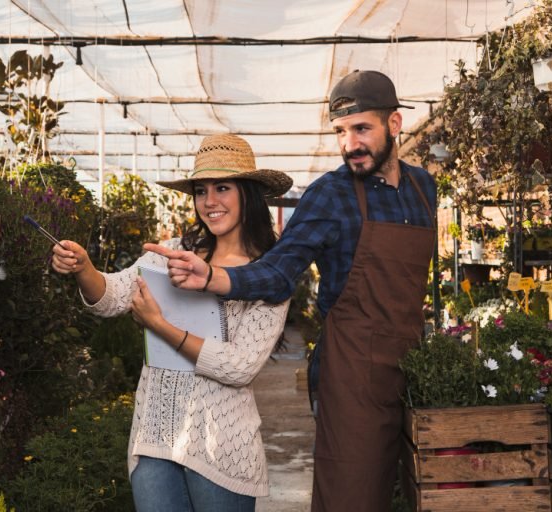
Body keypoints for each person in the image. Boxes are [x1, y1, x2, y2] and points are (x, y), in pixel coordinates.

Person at [145, 70, 437, 511]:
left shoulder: (423, 188)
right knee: (352, 499)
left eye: (362, 129)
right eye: (341, 131)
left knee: (424, 490)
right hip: (354, 373)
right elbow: (280, 272)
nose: (349, 144)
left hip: (415, 366)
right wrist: (214, 278)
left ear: (394, 125)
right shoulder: (328, 196)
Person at [50, 134, 293, 512]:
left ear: (250, 193)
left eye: (223, 188)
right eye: (200, 191)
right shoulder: (175, 253)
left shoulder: (269, 276)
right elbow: (113, 296)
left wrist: (160, 325)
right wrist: (84, 268)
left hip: (221, 448)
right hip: (157, 435)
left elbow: (239, 367)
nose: (209, 202)